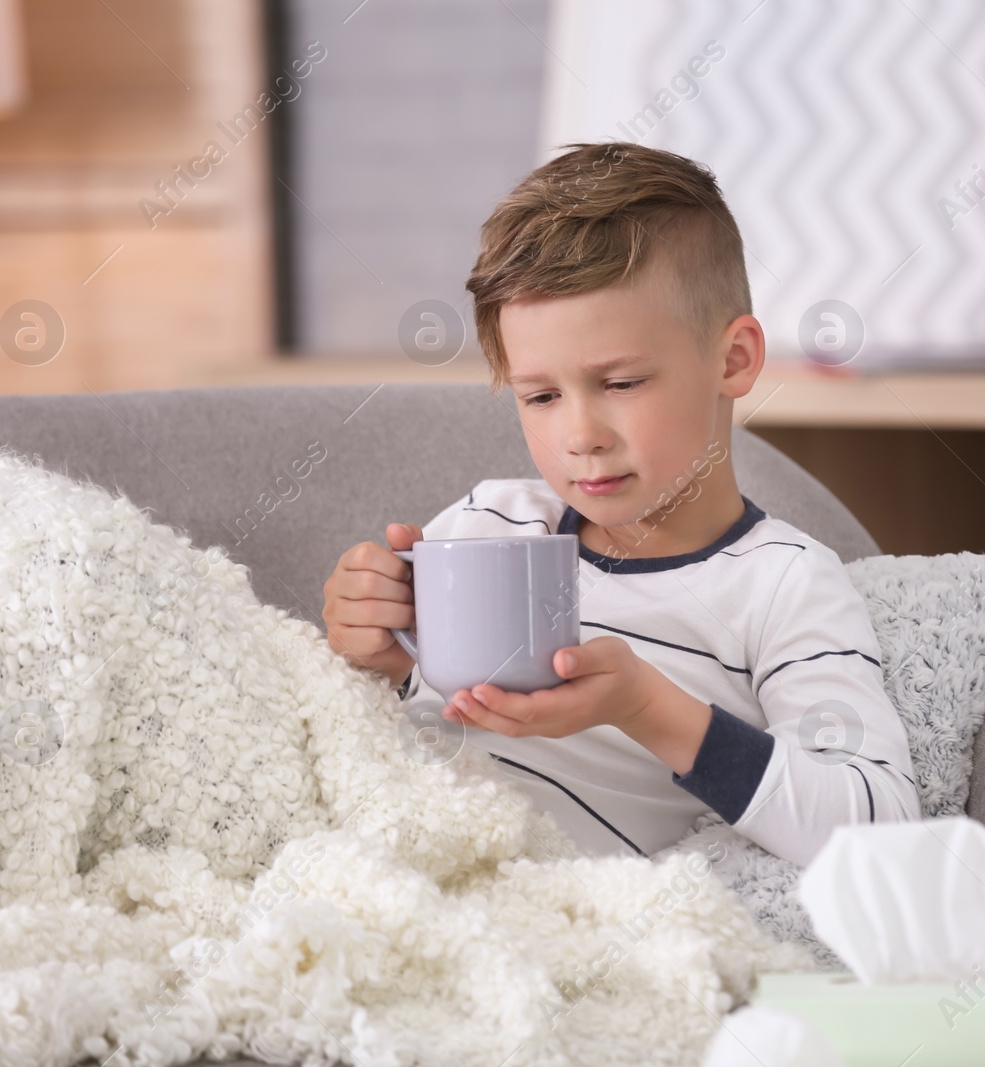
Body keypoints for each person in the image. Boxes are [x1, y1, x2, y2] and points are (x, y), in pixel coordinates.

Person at [322, 141, 920, 868]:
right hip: (389, 860)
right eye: (541, 396)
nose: (581, 436)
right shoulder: (488, 525)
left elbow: (880, 829)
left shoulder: (783, 585)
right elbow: (386, 731)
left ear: (733, 360)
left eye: (622, 383)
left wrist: (644, 706)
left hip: (564, 911)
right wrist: (372, 657)